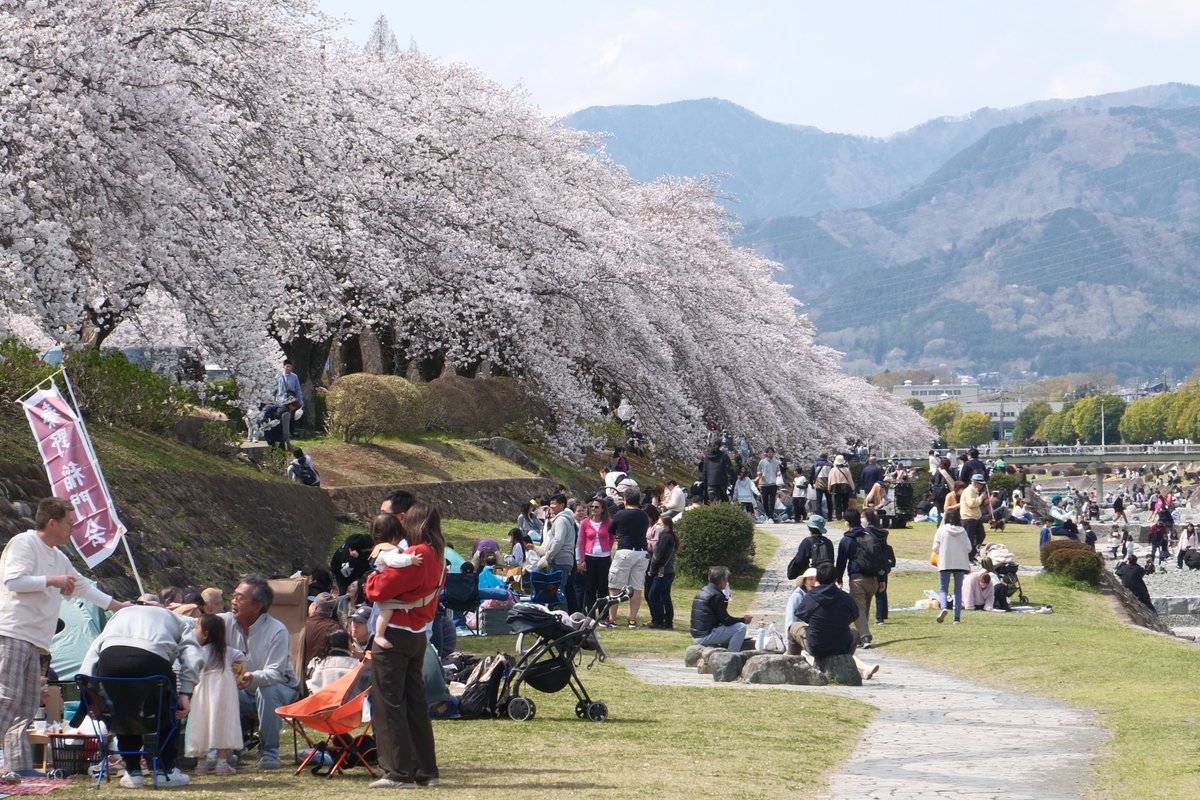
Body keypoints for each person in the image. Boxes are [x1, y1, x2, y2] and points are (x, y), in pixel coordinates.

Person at [0, 497, 127, 778]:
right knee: (5, 698)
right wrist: (52, 581)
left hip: (36, 640)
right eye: (70, 523)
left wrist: (118, 606)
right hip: (11, 632)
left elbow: (82, 587)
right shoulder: (24, 543)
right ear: (52, 522)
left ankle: (17, 768)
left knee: (26, 705)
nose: (73, 529)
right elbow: (13, 581)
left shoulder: (59, 557)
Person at [364, 500, 445, 789]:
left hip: (395, 635)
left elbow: (377, 589)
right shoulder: (438, 555)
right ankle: (426, 769)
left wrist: (372, 578)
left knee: (389, 703)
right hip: (419, 634)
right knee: (415, 703)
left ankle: (398, 771)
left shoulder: (416, 554)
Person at [80, 596, 201, 788]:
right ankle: (165, 770)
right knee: (169, 709)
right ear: (162, 606)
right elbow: (193, 655)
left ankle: (133, 772)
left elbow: (93, 651)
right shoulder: (176, 618)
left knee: (122, 709)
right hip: (153, 660)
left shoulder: (120, 614)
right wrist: (185, 693)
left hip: (111, 659)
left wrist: (88, 695)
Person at [222, 575, 300, 770]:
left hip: (281, 690)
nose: (233, 601)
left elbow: (275, 674)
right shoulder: (225, 622)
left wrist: (252, 677)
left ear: (257, 606)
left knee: (267, 690)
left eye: (240, 598)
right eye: (233, 596)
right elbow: (197, 624)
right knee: (221, 688)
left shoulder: (277, 630)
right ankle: (230, 749)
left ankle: (269, 751)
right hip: (244, 692)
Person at [788, 563, 878, 679]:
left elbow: (802, 614)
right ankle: (843, 664)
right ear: (835, 579)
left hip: (816, 646)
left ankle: (792, 665)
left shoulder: (812, 596)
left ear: (817, 579)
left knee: (794, 627)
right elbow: (854, 615)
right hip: (842, 646)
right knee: (854, 633)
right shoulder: (845, 597)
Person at [186, 613, 245, 776]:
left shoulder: (198, 651)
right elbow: (241, 657)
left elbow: (191, 669)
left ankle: (202, 764)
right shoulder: (227, 652)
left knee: (201, 723)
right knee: (223, 723)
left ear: (206, 634)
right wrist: (238, 673)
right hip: (225, 692)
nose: (194, 630)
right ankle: (222, 763)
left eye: (197, 627)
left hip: (202, 692)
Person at [833, 509, 883, 648]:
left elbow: (841, 561)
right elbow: (880, 557)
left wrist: (838, 578)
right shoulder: (870, 535)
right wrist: (882, 578)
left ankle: (865, 637)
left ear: (847, 523)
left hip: (857, 579)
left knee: (858, 608)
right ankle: (861, 637)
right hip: (873, 578)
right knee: (864, 608)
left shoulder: (847, 540)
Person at [608, 488, 651, 628]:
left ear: (625, 500)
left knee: (615, 586)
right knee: (637, 587)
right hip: (642, 552)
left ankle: (612, 619)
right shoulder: (644, 515)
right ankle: (632, 620)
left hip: (625, 550)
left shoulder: (621, 514)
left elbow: (610, 529)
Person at [689, 566, 752, 652]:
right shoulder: (716, 595)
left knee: (735, 630)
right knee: (741, 628)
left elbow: (721, 618)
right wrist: (743, 620)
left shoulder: (704, 590)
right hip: (704, 636)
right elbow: (726, 620)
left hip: (697, 634)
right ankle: (731, 656)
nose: (727, 583)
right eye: (726, 580)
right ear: (721, 581)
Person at [538, 494, 580, 614]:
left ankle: (563, 618)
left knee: (557, 591)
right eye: (551, 504)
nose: (552, 506)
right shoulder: (566, 519)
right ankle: (556, 616)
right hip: (565, 559)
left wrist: (549, 555)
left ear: (562, 505)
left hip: (560, 559)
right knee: (557, 590)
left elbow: (558, 540)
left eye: (554, 504)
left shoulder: (561, 519)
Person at [577, 497, 615, 624]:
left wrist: (606, 550)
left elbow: (611, 538)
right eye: (592, 507)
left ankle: (603, 616)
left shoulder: (609, 522)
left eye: (596, 507)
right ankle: (591, 615)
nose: (593, 509)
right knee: (590, 588)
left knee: (603, 588)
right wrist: (581, 560)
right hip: (589, 557)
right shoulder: (585, 523)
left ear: (602, 509)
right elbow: (581, 542)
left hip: (604, 558)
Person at [932, 508, 973, 624]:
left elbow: (935, 548)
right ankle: (957, 618)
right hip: (960, 563)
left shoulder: (942, 530)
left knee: (943, 588)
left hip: (945, 562)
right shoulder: (963, 531)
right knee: (958, 590)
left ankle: (944, 607)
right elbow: (969, 548)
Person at [647, 517, 678, 629]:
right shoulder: (668, 537)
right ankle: (668, 622)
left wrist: (653, 569)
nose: (658, 527)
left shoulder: (666, 537)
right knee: (664, 597)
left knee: (653, 596)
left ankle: (659, 621)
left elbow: (660, 556)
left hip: (662, 572)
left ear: (667, 526)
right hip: (667, 571)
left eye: (660, 524)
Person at [302, 592, 343, 673]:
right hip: (326, 677)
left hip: (301, 675)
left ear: (315, 607)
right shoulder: (337, 628)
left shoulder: (301, 625)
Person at [786, 514, 835, 579]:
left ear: (809, 528)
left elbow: (799, 560)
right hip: (827, 575)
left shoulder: (806, 542)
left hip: (812, 575)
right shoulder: (828, 542)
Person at [270, 359, 303, 449]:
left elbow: (298, 389)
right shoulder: (278, 376)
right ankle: (285, 440)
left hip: (291, 401)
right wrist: (270, 398)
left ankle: (288, 438)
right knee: (282, 418)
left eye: (290, 366)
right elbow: (273, 389)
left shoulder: (294, 377)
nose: (288, 368)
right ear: (283, 366)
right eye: (287, 366)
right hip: (280, 400)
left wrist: (301, 401)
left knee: (289, 418)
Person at [960, 473, 988, 559]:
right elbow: (971, 503)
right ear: (975, 483)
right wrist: (981, 498)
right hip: (968, 518)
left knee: (981, 535)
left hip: (975, 518)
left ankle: (972, 554)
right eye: (980, 484)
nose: (981, 486)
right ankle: (968, 556)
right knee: (969, 539)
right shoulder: (969, 491)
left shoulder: (975, 491)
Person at [756, 447, 783, 523]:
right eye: (769, 452)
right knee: (765, 500)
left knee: (772, 500)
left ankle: (770, 516)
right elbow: (758, 471)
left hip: (773, 483)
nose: (771, 454)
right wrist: (760, 474)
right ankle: (767, 514)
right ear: (766, 453)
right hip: (764, 484)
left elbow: (778, 470)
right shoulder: (762, 462)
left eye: (772, 452)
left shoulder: (776, 462)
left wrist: (779, 473)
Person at [827, 455, 855, 521]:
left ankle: (838, 516)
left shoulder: (833, 470)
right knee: (845, 502)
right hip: (845, 486)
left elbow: (829, 480)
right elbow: (850, 480)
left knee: (837, 503)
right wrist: (853, 488)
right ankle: (846, 516)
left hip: (835, 486)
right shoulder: (847, 469)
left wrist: (828, 488)